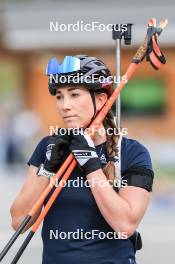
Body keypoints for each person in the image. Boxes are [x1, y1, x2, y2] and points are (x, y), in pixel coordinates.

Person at [10, 55, 154, 264]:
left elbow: (126, 226)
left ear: (102, 99)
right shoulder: (47, 147)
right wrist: (48, 169)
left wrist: (91, 165)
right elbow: (19, 223)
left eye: (74, 94)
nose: (64, 105)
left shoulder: (132, 152)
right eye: (59, 96)